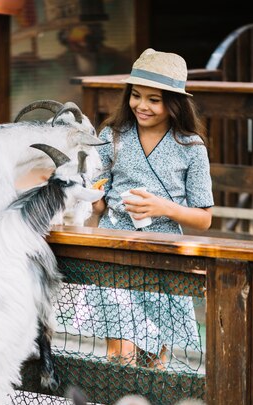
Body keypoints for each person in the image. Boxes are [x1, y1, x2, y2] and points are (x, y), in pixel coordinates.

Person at [73, 48, 214, 370]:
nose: (142, 105)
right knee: (120, 357)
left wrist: (165, 208)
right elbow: (94, 190)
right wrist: (95, 198)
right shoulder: (113, 135)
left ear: (174, 104)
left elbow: (204, 218)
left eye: (154, 99)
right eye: (136, 96)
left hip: (162, 259)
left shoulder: (190, 147)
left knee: (154, 365)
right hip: (113, 252)